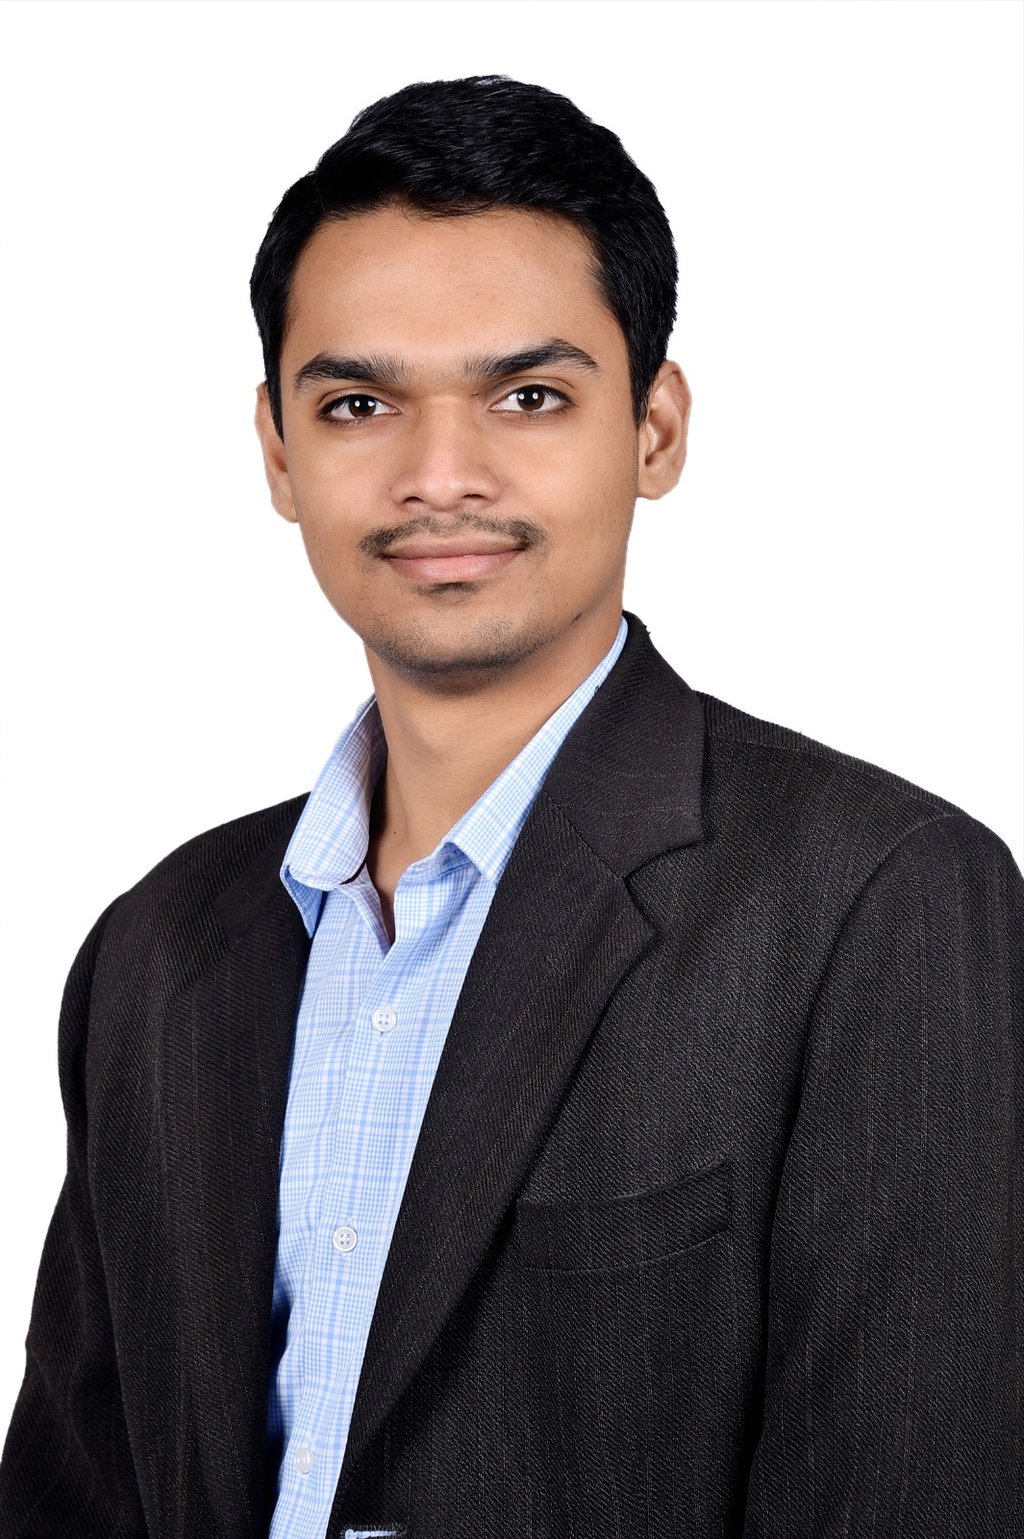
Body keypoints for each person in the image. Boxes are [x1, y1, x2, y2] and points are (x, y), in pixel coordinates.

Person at [0, 72, 1020, 1539]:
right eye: (359, 405)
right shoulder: (154, 953)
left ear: (655, 430)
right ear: (279, 452)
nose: (440, 478)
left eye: (528, 397)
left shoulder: (883, 906)